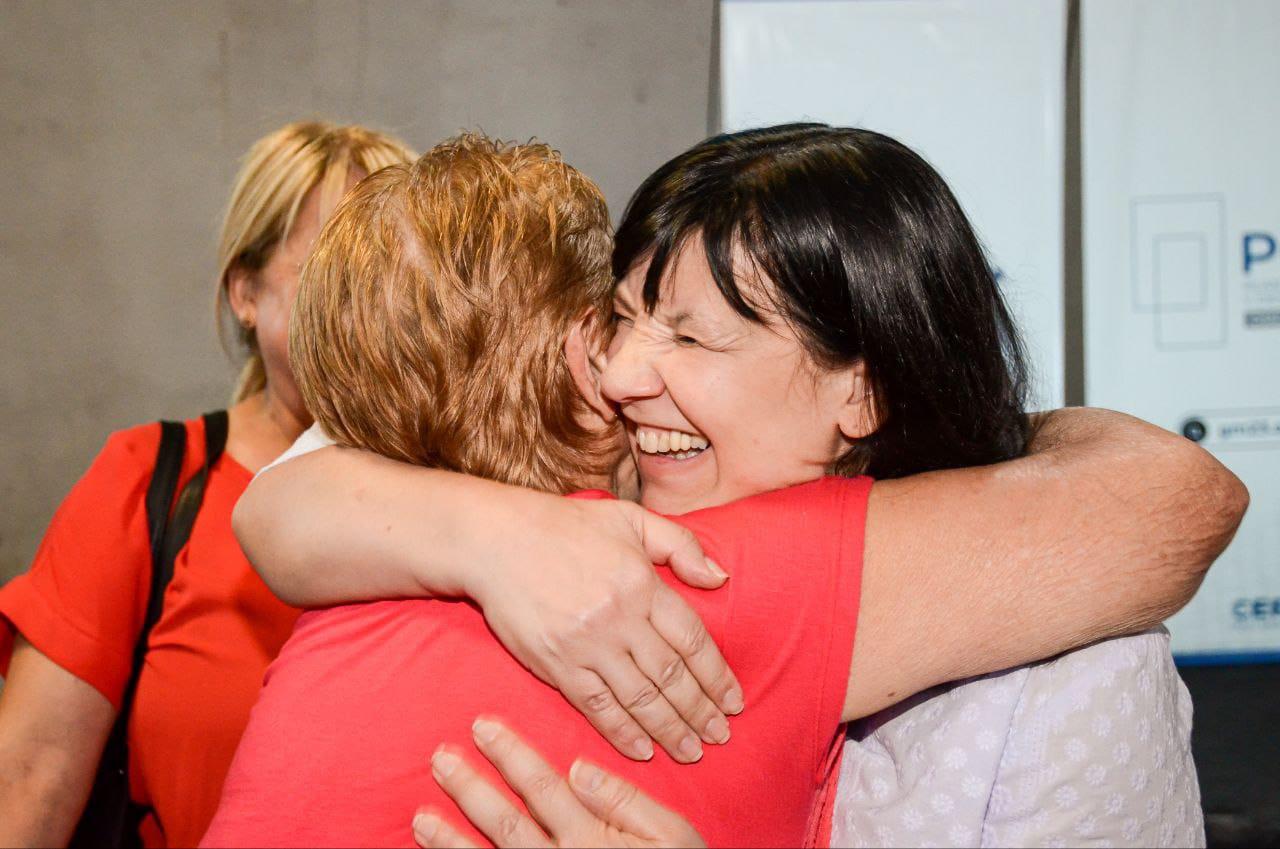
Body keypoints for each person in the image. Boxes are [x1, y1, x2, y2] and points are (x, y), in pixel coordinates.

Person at [209, 128, 1243, 846]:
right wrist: (488, 533)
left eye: (691, 337)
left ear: (861, 388)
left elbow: (1177, 499)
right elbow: (285, 494)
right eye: (618, 322)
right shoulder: (626, 549)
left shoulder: (1074, 663)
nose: (620, 373)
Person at [0, 121, 416, 848]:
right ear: (245, 292)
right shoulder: (151, 481)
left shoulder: (459, 494)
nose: (367, 302)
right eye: (332, 268)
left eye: (394, 273)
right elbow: (30, 780)